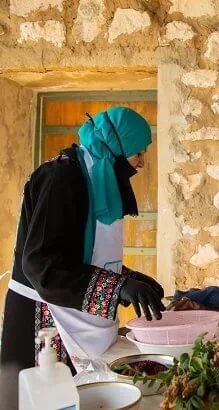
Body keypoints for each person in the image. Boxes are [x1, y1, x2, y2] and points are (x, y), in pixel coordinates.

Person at [1, 107, 165, 389]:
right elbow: (43, 265)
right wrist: (116, 288)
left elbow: (82, 254)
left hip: (72, 317)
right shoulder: (60, 179)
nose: (141, 164)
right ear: (117, 147)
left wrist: (128, 279)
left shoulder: (96, 179)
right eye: (139, 153)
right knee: (47, 399)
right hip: (42, 322)